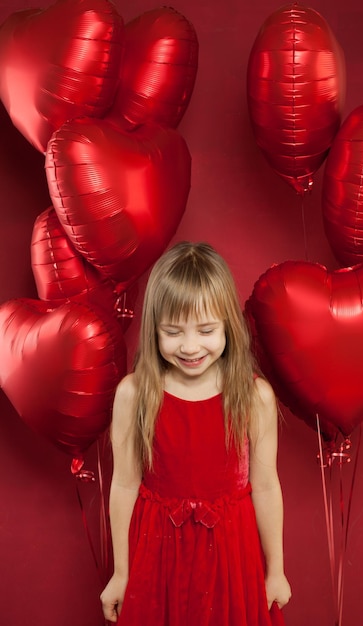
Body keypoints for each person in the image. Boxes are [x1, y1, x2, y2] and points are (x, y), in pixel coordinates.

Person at [100, 241, 291, 625]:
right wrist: (121, 574)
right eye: (172, 331)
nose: (190, 347)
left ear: (227, 326)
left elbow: (266, 486)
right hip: (157, 560)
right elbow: (123, 486)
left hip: (232, 560)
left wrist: (276, 570)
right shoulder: (134, 394)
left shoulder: (254, 396)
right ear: (154, 328)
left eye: (206, 330)